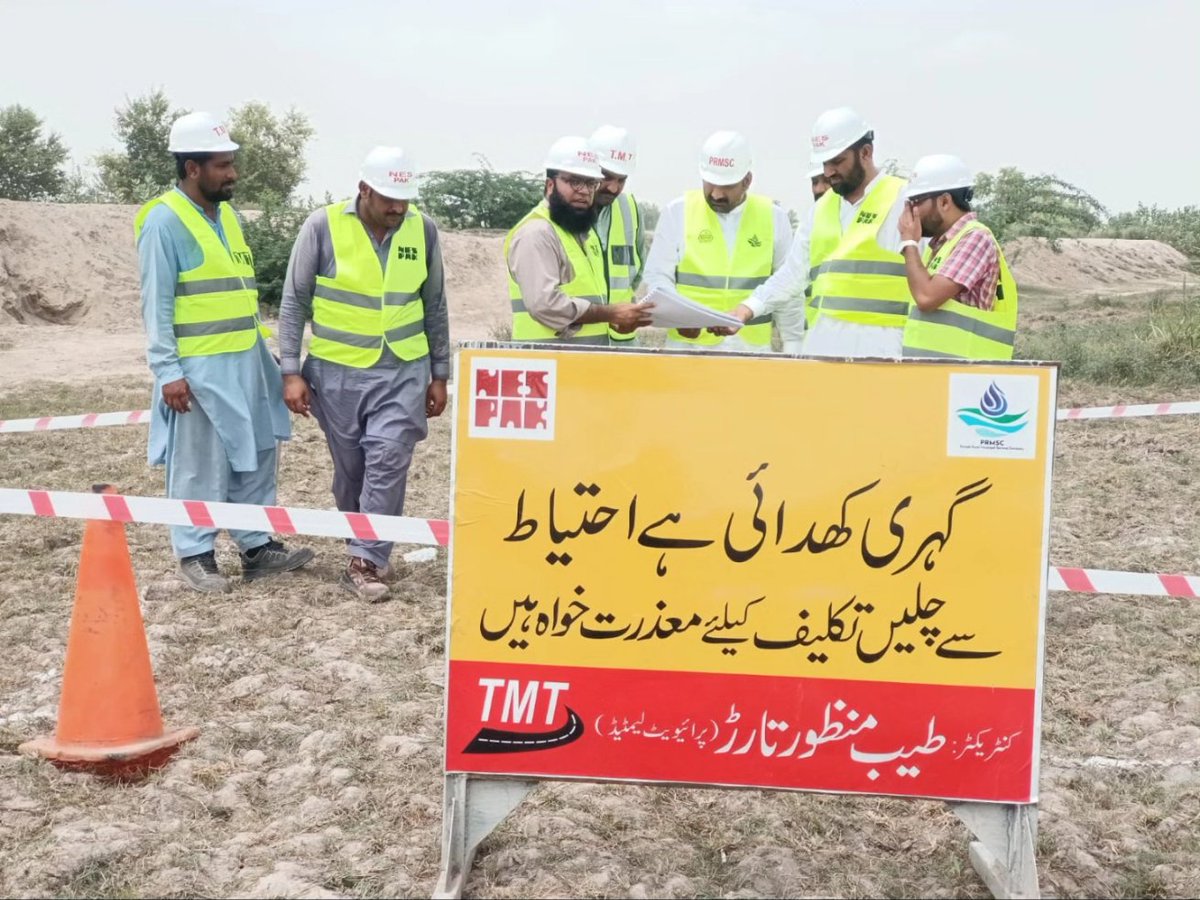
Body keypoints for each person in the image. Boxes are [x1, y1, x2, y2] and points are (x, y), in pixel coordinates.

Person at [134, 111, 313, 594]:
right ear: (192, 168)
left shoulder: (227, 216)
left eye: (231, 163)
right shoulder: (163, 222)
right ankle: (195, 553)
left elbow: (236, 294)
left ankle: (257, 548)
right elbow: (157, 305)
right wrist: (168, 370)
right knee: (199, 463)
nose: (232, 173)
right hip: (198, 369)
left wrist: (266, 354)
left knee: (255, 453)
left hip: (245, 359)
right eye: (221, 165)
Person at [277, 147, 450, 601]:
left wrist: (439, 372)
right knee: (351, 470)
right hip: (337, 375)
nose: (398, 208)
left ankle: (367, 559)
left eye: (405, 199)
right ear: (364, 189)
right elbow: (295, 301)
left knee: (388, 459)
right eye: (389, 198)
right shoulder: (323, 226)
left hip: (403, 371)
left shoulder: (423, 230)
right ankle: (361, 539)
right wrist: (290, 371)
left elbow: (434, 305)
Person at [723, 108, 912, 358]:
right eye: (825, 163)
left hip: (884, 350)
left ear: (866, 153)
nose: (829, 171)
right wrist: (748, 308)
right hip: (823, 348)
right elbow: (793, 274)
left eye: (837, 161)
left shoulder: (904, 200)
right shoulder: (821, 209)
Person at [642, 130, 801, 352]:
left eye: (726, 186)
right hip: (687, 351)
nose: (716, 194)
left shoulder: (774, 218)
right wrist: (678, 318)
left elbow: (788, 288)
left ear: (747, 181)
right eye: (710, 183)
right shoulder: (677, 212)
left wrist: (793, 344)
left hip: (751, 352)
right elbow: (657, 276)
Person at [505, 136, 654, 344]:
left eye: (591, 183)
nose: (584, 191)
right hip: (547, 366)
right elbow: (545, 305)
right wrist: (609, 314)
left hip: (582, 364)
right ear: (550, 185)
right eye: (574, 181)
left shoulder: (584, 235)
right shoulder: (536, 233)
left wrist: (620, 318)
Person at [898, 155, 1018, 359]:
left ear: (944, 201)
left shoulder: (976, 238)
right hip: (937, 373)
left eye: (917, 202)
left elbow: (927, 298)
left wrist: (909, 243)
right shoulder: (939, 246)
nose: (911, 211)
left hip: (962, 377)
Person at [589, 125, 647, 345]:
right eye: (606, 176)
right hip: (576, 345)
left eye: (621, 180)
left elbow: (638, 270)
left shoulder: (630, 209)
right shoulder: (562, 212)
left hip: (623, 344)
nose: (613, 188)